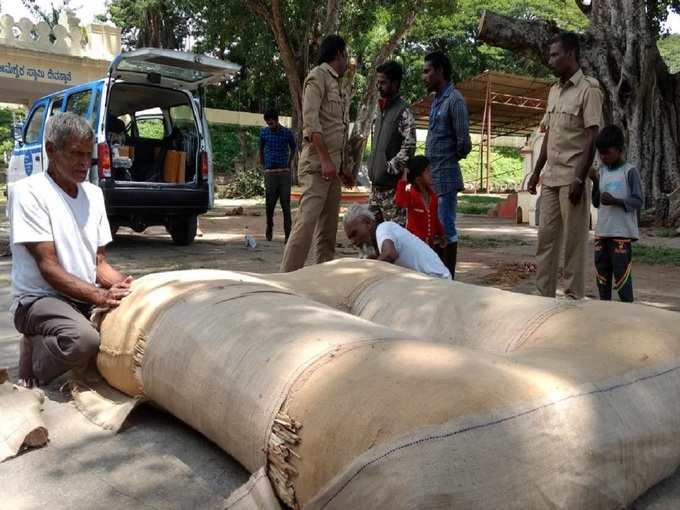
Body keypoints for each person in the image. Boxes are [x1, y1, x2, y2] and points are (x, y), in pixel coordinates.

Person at [10, 112, 132, 387]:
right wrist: (100, 296)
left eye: (87, 155)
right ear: (51, 150)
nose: (83, 163)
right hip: (39, 299)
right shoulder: (28, 192)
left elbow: (100, 264)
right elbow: (48, 267)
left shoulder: (94, 194)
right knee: (85, 341)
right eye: (75, 153)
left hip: (80, 296)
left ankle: (58, 337)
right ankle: (35, 352)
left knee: (127, 323)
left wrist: (129, 288)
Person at [528, 33, 603, 299]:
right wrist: (536, 172)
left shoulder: (589, 89)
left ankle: (573, 300)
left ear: (571, 54)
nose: (551, 60)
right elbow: (549, 134)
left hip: (573, 180)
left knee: (573, 244)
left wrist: (580, 179)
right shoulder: (554, 90)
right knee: (545, 241)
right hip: (550, 179)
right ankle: (542, 297)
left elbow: (592, 136)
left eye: (555, 54)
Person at [280, 34, 352, 272]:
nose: (347, 59)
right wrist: (324, 160)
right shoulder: (317, 77)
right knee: (306, 224)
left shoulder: (338, 84)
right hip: (317, 167)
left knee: (328, 231)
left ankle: (323, 279)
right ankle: (286, 279)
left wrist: (344, 167)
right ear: (339, 53)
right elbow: (311, 123)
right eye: (346, 54)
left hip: (333, 170)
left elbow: (338, 129)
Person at [423, 51, 471, 279]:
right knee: (435, 230)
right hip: (432, 180)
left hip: (447, 179)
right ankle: (439, 277)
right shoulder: (435, 101)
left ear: (440, 71)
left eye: (427, 71)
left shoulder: (455, 100)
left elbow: (464, 143)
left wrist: (446, 161)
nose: (424, 76)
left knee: (447, 230)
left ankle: (449, 279)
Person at [591, 126, 642, 303]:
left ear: (619, 149)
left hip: (621, 233)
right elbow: (596, 202)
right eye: (600, 154)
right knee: (601, 273)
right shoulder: (602, 172)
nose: (603, 157)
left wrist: (617, 201)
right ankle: (605, 309)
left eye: (607, 153)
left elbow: (638, 201)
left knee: (622, 274)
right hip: (602, 232)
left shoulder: (629, 171)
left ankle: (627, 310)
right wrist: (594, 182)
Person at [367, 60, 417, 226]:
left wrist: (391, 167)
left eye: (383, 83)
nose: (379, 87)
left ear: (395, 84)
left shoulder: (404, 111)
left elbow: (409, 145)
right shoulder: (379, 109)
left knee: (394, 240)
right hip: (375, 190)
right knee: (371, 237)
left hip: (392, 191)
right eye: (378, 82)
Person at [343, 204, 451, 279]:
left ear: (368, 223)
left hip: (436, 278)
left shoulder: (383, 228)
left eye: (354, 234)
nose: (353, 241)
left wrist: (366, 273)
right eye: (350, 238)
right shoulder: (379, 240)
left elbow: (390, 254)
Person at [394, 155, 446, 251]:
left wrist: (442, 234)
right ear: (418, 178)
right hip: (414, 246)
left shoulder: (432, 196)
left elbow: (435, 219)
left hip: (429, 246)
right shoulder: (411, 195)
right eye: (427, 171)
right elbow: (400, 201)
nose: (431, 173)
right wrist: (404, 176)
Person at [259, 109, 296, 242]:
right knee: (269, 204)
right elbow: (261, 148)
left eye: (272, 122)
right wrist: (264, 165)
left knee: (286, 204)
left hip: (284, 173)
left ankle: (288, 234)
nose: (270, 125)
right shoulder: (263, 132)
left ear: (277, 120)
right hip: (270, 174)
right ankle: (269, 226)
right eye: (268, 123)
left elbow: (294, 147)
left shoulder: (287, 133)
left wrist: (289, 163)